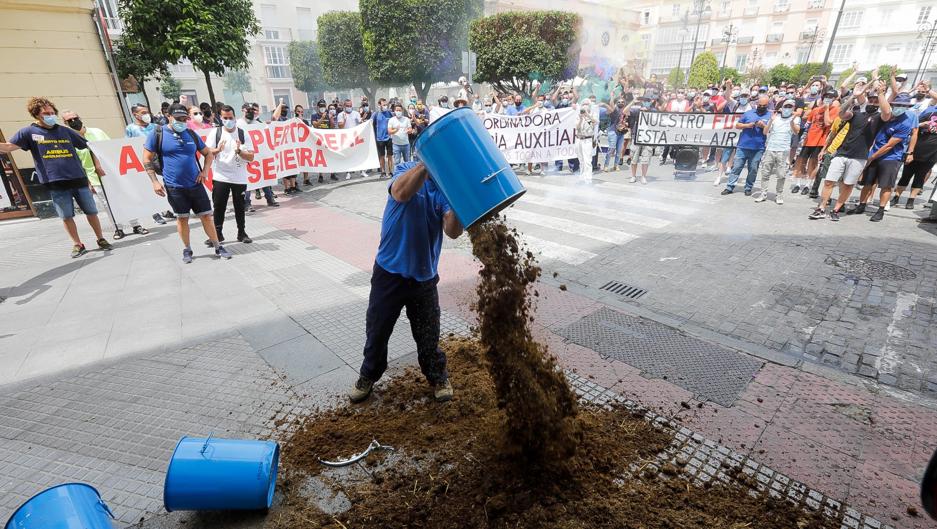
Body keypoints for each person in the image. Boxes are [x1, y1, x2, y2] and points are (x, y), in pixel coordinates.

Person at [348, 160, 463, 404]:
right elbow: (400, 193)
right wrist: (426, 165)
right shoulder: (405, 169)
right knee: (377, 331)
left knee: (429, 336)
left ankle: (437, 377)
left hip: (424, 277)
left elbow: (452, 231)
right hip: (389, 273)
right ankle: (368, 375)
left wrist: (461, 200)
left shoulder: (443, 189)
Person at [0, 97, 113, 257]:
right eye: (46, 113)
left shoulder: (64, 130)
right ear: (36, 114)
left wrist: (98, 165)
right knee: (66, 216)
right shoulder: (28, 132)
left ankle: (100, 238)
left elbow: (88, 145)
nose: (51, 115)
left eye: (53, 112)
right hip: (55, 182)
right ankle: (77, 244)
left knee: (91, 212)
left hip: (78, 179)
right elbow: (10, 147)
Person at [142, 103, 231, 263]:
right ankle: (187, 249)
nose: (182, 122)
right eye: (178, 119)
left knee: (206, 216)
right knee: (182, 218)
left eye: (184, 118)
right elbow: (146, 159)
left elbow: (208, 154)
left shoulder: (190, 133)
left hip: (195, 185)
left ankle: (217, 246)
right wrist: (155, 181)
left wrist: (204, 172)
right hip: (174, 186)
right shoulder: (157, 134)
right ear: (168, 116)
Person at [64, 109, 148, 240]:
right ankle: (118, 228)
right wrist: (88, 182)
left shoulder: (97, 132)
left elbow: (111, 149)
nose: (74, 122)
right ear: (65, 123)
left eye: (75, 118)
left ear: (80, 117)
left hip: (111, 173)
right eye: (69, 120)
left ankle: (136, 225)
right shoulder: (70, 140)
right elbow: (77, 163)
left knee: (125, 199)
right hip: (94, 177)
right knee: (107, 205)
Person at [815, 80, 881, 221]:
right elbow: (841, 113)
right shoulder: (855, 113)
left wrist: (880, 91)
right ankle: (821, 208)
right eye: (871, 99)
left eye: (876, 100)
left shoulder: (879, 117)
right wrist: (853, 96)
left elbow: (887, 110)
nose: (873, 102)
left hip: (859, 156)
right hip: (841, 153)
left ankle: (836, 209)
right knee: (829, 181)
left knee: (847, 184)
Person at [851, 93, 912, 222]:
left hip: (891, 158)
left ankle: (881, 210)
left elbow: (890, 146)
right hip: (874, 153)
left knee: (886, 186)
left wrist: (871, 157)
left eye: (903, 105)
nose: (899, 107)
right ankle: (861, 205)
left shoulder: (906, 122)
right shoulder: (885, 116)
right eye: (897, 104)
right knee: (868, 182)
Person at [205, 105, 254, 245]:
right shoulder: (215, 132)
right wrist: (217, 150)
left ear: (235, 117)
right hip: (221, 176)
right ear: (221, 118)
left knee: (240, 206)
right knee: (219, 206)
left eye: (230, 118)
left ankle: (241, 232)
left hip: (239, 177)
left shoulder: (243, 133)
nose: (228, 120)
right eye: (225, 118)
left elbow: (251, 157)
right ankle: (217, 234)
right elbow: (207, 152)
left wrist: (239, 151)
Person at [126, 104, 175, 225]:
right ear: (135, 115)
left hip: (159, 160)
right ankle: (155, 213)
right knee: (150, 187)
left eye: (147, 112)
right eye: (143, 113)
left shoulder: (156, 127)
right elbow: (128, 146)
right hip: (144, 161)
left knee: (164, 184)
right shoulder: (131, 129)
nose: (146, 115)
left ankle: (166, 209)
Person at [754, 99, 801, 205]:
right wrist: (771, 120)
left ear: (793, 108)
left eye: (790, 107)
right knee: (765, 173)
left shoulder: (795, 119)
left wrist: (792, 122)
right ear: (782, 108)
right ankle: (763, 193)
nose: (787, 109)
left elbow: (796, 131)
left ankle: (779, 195)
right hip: (770, 148)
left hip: (783, 150)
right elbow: (765, 131)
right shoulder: (775, 118)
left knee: (781, 175)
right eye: (786, 106)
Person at [721, 94, 770, 196]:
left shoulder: (770, 116)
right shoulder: (748, 113)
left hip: (758, 148)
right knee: (737, 167)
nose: (761, 107)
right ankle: (730, 187)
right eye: (760, 105)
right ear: (757, 104)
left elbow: (770, 131)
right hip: (743, 146)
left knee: (753, 169)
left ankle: (748, 187)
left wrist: (763, 126)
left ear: (767, 105)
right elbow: (738, 125)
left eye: (764, 106)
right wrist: (747, 125)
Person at [793, 90, 839, 194]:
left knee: (813, 163)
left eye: (830, 96)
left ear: (834, 99)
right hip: (808, 139)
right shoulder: (816, 110)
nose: (828, 98)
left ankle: (808, 185)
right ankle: (798, 183)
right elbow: (807, 123)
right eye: (826, 96)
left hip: (821, 140)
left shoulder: (836, 110)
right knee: (801, 161)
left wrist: (826, 109)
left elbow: (828, 123)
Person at [893, 99, 937, 209]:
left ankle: (911, 199)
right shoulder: (929, 113)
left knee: (920, 177)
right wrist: (923, 124)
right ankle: (896, 197)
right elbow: (913, 126)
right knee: (906, 175)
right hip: (916, 149)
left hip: (932, 153)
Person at [238, 103, 278, 210]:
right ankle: (247, 203)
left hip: (259, 156)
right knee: (247, 180)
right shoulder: (239, 123)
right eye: (248, 110)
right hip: (246, 155)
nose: (251, 112)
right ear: (243, 110)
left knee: (263, 177)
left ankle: (270, 199)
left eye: (253, 110)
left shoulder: (257, 123)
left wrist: (268, 125)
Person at [629, 95, 655, 184]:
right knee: (634, 158)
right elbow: (625, 111)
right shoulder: (636, 110)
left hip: (648, 138)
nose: (646, 103)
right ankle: (633, 176)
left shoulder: (653, 111)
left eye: (648, 101)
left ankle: (643, 176)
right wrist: (633, 101)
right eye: (644, 101)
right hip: (637, 136)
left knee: (646, 158)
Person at [576, 103, 597, 184]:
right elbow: (577, 127)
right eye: (583, 109)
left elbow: (596, 122)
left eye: (585, 109)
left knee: (587, 160)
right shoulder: (578, 116)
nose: (583, 110)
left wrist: (587, 115)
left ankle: (588, 179)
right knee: (581, 160)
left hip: (587, 140)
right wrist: (581, 119)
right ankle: (582, 176)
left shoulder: (591, 117)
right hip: (579, 139)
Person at [374, 98, 394, 179]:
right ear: (379, 105)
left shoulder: (389, 113)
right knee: (381, 156)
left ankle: (391, 172)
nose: (385, 106)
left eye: (386, 104)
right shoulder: (376, 114)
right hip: (380, 139)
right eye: (384, 105)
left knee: (389, 156)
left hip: (389, 138)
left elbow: (395, 121)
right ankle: (382, 172)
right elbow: (370, 123)